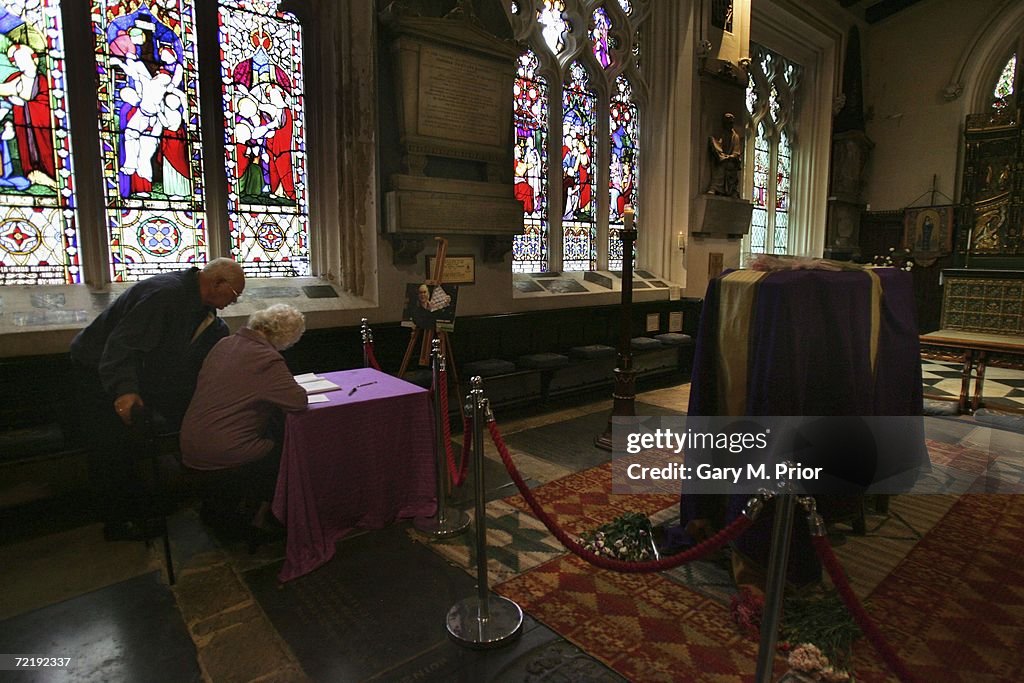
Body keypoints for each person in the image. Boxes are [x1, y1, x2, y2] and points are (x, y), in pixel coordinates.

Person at [69, 258, 245, 540]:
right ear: (216, 283)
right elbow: (121, 344)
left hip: (138, 375)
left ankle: (145, 505)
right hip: (99, 371)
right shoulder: (166, 295)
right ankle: (118, 522)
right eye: (234, 296)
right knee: (111, 447)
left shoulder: (203, 310)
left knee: (139, 441)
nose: (233, 303)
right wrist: (125, 390)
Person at [180, 304, 307, 533]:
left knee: (268, 428)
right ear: (286, 336)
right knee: (288, 449)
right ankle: (266, 516)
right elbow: (298, 401)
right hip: (225, 450)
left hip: (190, 442)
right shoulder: (266, 357)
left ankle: (224, 510)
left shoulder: (224, 344)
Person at [707, 112, 743, 197]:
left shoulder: (735, 137)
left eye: (731, 123)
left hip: (732, 160)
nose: (730, 125)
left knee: (726, 165)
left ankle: (729, 190)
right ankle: (715, 187)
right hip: (723, 157)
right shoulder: (721, 134)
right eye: (728, 123)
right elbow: (718, 145)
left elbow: (736, 153)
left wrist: (729, 157)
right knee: (720, 164)